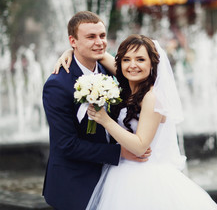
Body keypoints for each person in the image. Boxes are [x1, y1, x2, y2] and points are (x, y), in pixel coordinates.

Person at [56, 34, 217, 209]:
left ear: (152, 64)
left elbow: (141, 146)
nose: (132, 65)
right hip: (121, 173)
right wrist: (70, 52)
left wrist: (104, 120)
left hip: (145, 178)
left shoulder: (153, 98)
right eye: (126, 59)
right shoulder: (128, 84)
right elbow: (102, 55)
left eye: (140, 59)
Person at [43, 11, 150, 210]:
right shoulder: (58, 84)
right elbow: (66, 145)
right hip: (76, 183)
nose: (99, 42)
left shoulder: (114, 71)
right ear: (72, 41)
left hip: (117, 179)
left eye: (102, 36)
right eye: (91, 37)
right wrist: (120, 152)